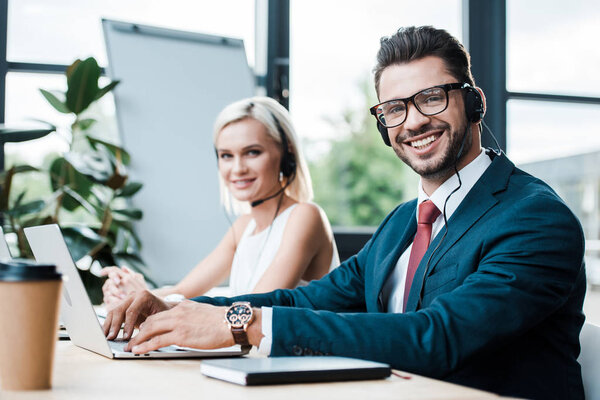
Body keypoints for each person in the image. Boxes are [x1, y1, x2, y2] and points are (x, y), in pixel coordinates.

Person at [104, 26, 586, 400]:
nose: (413, 121)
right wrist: (173, 310)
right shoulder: (403, 221)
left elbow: (437, 337)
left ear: (475, 102)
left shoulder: (536, 219)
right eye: (393, 109)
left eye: (432, 98)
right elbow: (307, 301)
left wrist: (242, 321)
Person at [100, 96, 339, 305]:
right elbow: (181, 291)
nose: (237, 168)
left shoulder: (306, 216)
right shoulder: (243, 227)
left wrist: (147, 298)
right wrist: (133, 295)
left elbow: (254, 308)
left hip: (299, 356)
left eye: (252, 152)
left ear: (286, 154)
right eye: (226, 155)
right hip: (258, 356)